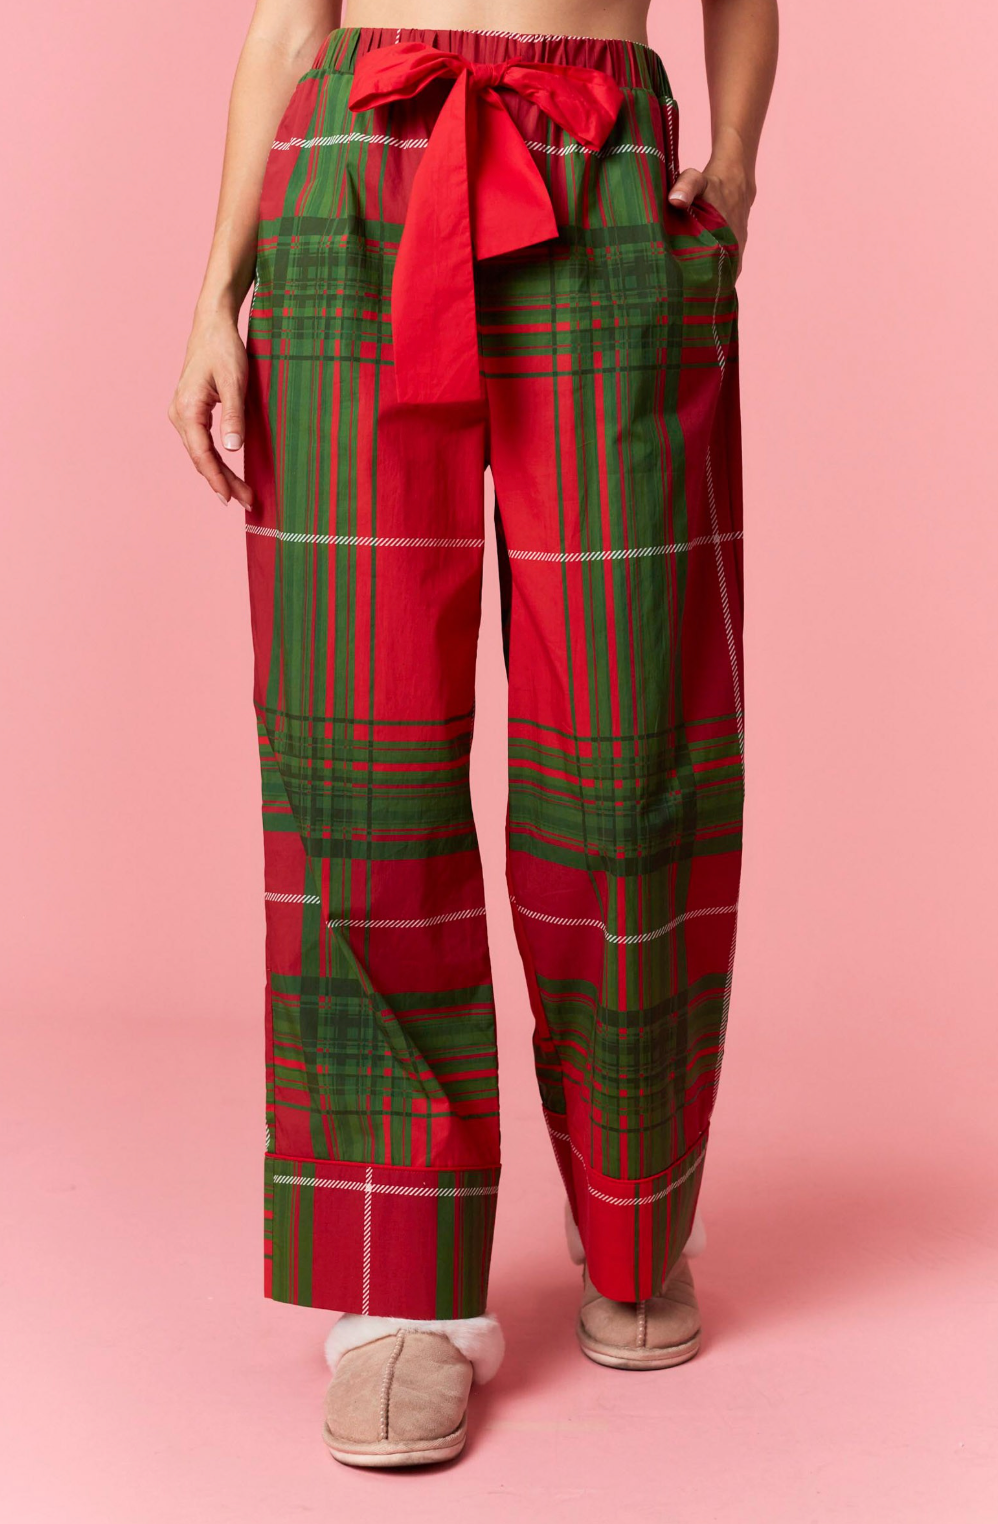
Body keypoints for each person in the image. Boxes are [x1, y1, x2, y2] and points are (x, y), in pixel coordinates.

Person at [168, 0, 777, 1469]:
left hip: (603, 171)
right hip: (356, 181)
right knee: (355, 746)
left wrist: (735, 169)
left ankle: (635, 1213)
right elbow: (285, 23)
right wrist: (215, 296)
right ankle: (399, 1292)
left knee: (634, 744)